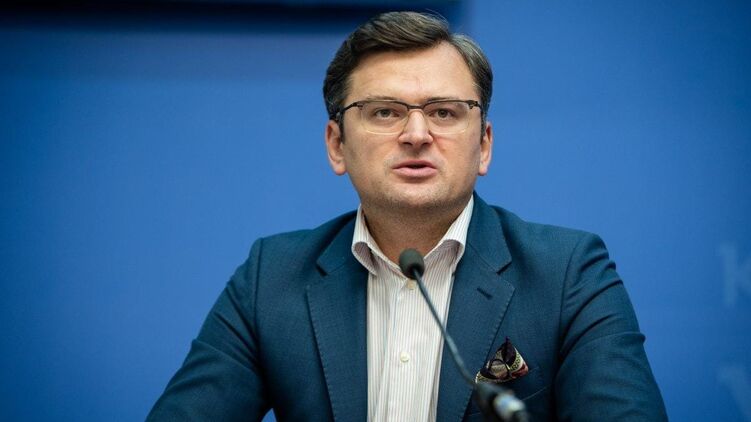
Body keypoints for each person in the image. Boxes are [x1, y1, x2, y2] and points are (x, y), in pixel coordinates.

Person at [148, 11, 667, 422]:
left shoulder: (568, 274)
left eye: (444, 112)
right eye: (384, 112)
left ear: (484, 145)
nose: (417, 134)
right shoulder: (272, 278)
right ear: (337, 145)